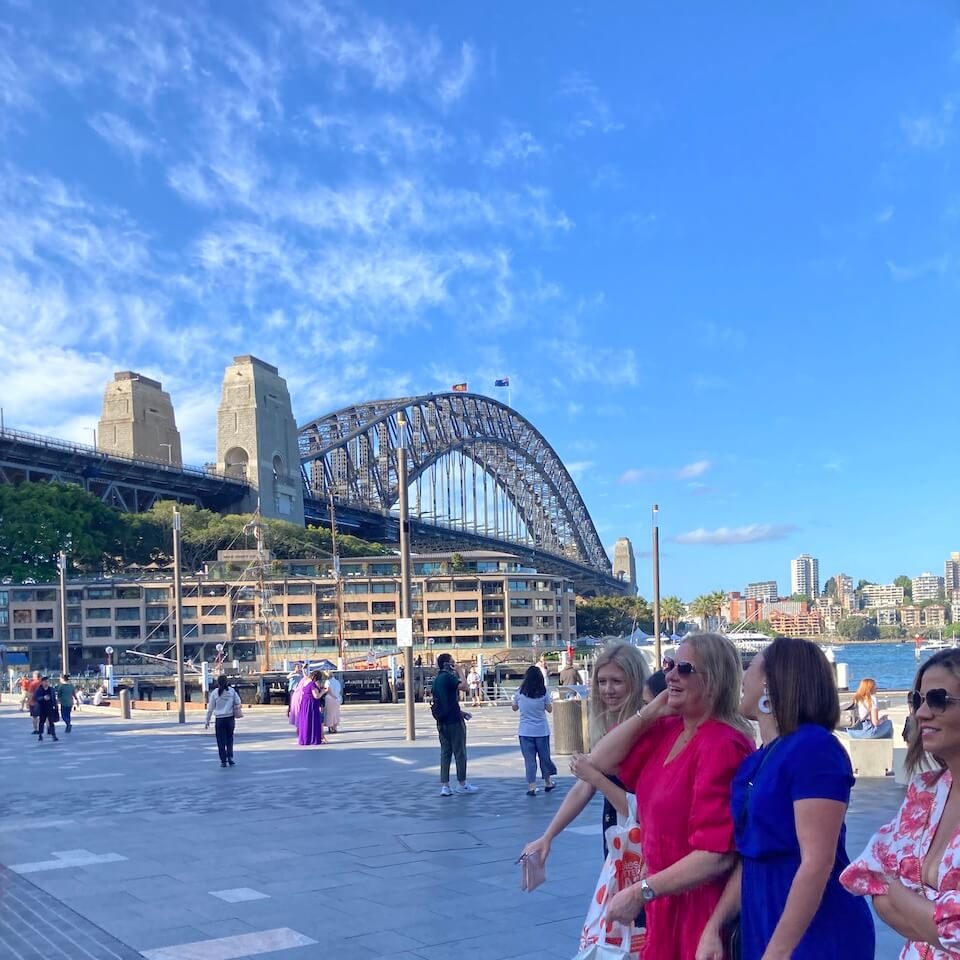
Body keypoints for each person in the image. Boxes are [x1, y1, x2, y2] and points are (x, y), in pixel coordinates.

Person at [696, 637, 874, 960]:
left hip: (814, 932)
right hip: (765, 925)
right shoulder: (757, 760)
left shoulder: (814, 749)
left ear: (769, 682)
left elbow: (817, 861)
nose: (743, 677)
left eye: (749, 667)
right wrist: (714, 926)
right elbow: (753, 855)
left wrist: (778, 951)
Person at [586, 633, 755, 960]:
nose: (671, 675)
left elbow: (717, 853)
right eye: (669, 665)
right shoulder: (670, 730)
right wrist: (649, 713)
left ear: (715, 680)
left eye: (685, 668)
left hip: (701, 907)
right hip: (664, 902)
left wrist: (641, 891)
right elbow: (601, 760)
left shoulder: (723, 744)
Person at [841, 649, 960, 958]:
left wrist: (896, 890)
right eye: (917, 700)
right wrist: (934, 918)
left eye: (938, 700)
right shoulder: (927, 792)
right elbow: (869, 879)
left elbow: (885, 889)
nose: (921, 713)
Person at [522, 644, 653, 865]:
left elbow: (640, 810)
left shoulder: (649, 731)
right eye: (602, 682)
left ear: (636, 681)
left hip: (643, 846)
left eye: (617, 681)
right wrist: (548, 836)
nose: (607, 690)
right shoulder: (609, 724)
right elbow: (584, 787)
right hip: (618, 837)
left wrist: (594, 776)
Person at [432, 653, 478, 796]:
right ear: (448, 664)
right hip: (454, 722)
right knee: (459, 752)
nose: (454, 664)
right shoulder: (448, 677)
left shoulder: (437, 680)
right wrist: (459, 671)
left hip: (441, 720)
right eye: (453, 662)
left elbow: (446, 702)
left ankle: (445, 786)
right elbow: (465, 687)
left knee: (445, 753)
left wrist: (461, 712)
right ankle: (462, 783)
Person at [512, 665, 557, 796]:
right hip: (541, 731)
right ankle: (548, 782)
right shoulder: (543, 693)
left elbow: (514, 707)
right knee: (544, 757)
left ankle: (531, 786)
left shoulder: (519, 693)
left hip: (525, 732)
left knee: (529, 760)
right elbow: (549, 709)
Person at [204, 675, 241, 767]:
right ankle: (230, 757)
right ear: (227, 682)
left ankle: (223, 760)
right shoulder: (232, 691)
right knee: (229, 738)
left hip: (219, 719)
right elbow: (238, 702)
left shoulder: (215, 693)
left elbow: (210, 708)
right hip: (230, 718)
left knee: (221, 740)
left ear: (218, 682)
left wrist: (207, 721)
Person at [294, 669, 324, 746]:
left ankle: (305, 738)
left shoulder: (305, 682)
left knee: (305, 721)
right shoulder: (312, 684)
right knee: (312, 720)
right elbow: (316, 696)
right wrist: (323, 692)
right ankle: (313, 739)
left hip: (304, 703)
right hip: (311, 704)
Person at [33, 677, 59, 742]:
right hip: (42, 708)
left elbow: (54, 698)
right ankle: (40, 735)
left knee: (51, 722)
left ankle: (54, 735)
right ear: (42, 682)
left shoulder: (51, 689)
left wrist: (55, 705)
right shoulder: (39, 690)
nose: (46, 683)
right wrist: (43, 698)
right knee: (41, 722)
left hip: (50, 708)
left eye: (47, 682)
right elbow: (36, 698)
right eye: (45, 682)